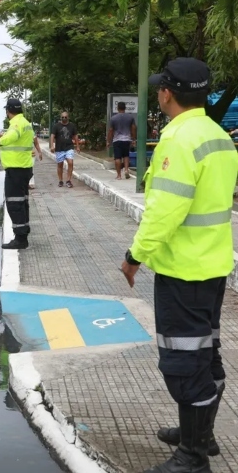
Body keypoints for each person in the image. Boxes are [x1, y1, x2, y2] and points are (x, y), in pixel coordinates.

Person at [120, 58, 238, 473]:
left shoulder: (178, 139)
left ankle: (192, 456)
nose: (158, 94)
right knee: (207, 355)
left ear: (168, 93)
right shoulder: (219, 136)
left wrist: (135, 257)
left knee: (184, 363)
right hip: (212, 267)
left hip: (183, 271)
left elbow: (164, 212)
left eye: (160, 89)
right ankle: (199, 435)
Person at [0, 98, 34, 249]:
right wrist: (1, 139)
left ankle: (20, 239)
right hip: (23, 169)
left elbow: (13, 136)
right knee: (22, 203)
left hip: (16, 170)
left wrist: (0, 141)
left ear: (8, 111)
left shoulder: (16, 124)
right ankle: (23, 234)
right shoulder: (25, 123)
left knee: (15, 203)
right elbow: (16, 141)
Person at [49, 111, 80, 188]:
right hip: (59, 148)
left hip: (69, 147)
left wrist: (77, 146)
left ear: (68, 117)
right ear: (61, 118)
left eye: (65, 117)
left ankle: (68, 180)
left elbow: (75, 136)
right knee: (60, 164)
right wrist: (52, 145)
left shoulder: (72, 126)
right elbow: (52, 135)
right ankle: (60, 180)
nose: (64, 118)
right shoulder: (56, 126)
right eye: (62, 117)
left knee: (70, 162)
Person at [107, 102, 137, 180]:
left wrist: (108, 141)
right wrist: (133, 139)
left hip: (117, 140)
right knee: (126, 155)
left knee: (117, 157)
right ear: (125, 108)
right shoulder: (130, 117)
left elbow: (110, 130)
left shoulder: (113, 118)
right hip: (127, 139)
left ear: (118, 108)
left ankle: (119, 175)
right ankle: (126, 170)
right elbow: (133, 128)